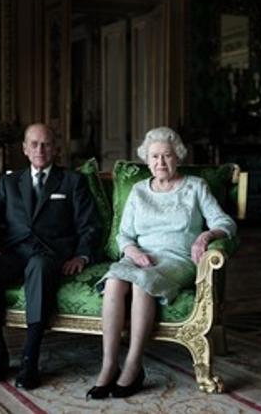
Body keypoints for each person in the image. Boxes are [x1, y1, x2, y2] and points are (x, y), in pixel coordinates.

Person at [88, 126, 237, 399]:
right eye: (155, 156)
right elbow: (124, 235)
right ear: (147, 159)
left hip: (177, 259)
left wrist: (205, 236)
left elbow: (224, 222)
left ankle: (133, 366)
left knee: (143, 282)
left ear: (177, 157)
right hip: (140, 255)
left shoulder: (195, 187)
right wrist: (133, 253)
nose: (160, 162)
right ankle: (109, 365)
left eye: (167, 156)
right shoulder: (138, 191)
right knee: (113, 281)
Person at [0, 123, 102, 390]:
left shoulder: (72, 181)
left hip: (50, 254)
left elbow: (90, 226)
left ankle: (30, 359)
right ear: (25, 149)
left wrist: (82, 256)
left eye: (46, 144)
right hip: (14, 252)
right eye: (34, 144)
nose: (40, 149)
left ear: (56, 149)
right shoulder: (10, 182)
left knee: (39, 268)